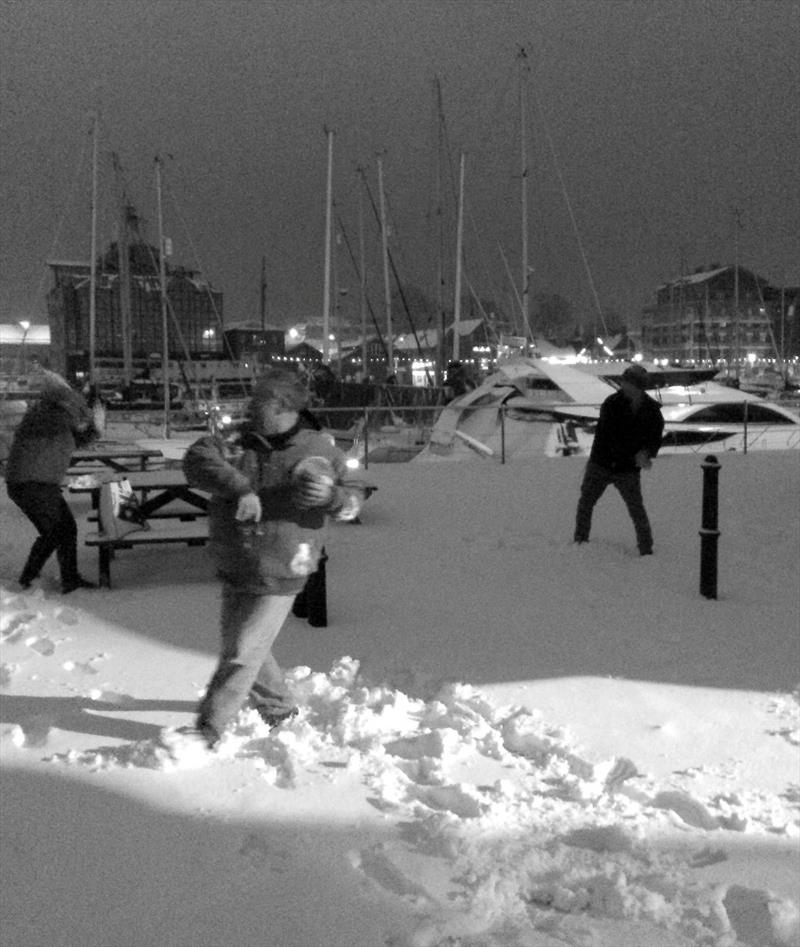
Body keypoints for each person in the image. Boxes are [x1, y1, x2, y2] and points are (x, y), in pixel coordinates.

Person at [182, 368, 365, 748]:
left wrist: (331, 498)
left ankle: (208, 730)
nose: (249, 406)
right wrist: (240, 487)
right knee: (246, 647)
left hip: (285, 566)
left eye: (257, 399)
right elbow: (196, 459)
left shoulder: (320, 450)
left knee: (241, 650)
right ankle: (281, 711)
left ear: (281, 405)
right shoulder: (236, 441)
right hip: (236, 561)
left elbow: (353, 499)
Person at [6, 376, 103, 592]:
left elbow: (70, 441)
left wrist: (93, 427)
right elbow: (72, 434)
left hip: (31, 484)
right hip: (33, 485)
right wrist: (91, 417)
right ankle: (62, 579)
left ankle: (31, 577)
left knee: (56, 531)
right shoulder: (48, 418)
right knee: (63, 529)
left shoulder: (48, 418)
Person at [573, 363, 664, 556]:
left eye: (627, 381)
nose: (623, 384)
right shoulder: (612, 404)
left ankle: (646, 549)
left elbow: (655, 437)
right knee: (586, 503)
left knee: (636, 509)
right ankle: (580, 541)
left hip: (623, 468)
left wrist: (647, 452)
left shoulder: (652, 410)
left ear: (637, 386)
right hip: (604, 463)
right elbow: (611, 436)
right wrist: (639, 454)